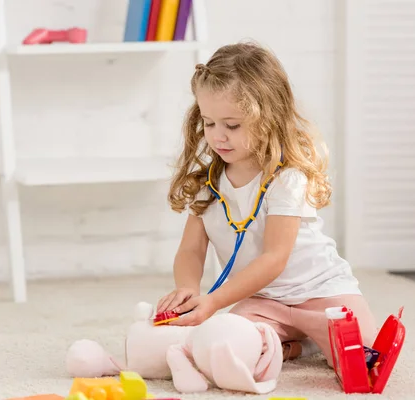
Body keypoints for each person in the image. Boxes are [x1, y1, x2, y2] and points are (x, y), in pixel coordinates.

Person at [156, 41, 377, 365]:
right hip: (263, 300)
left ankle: (310, 337)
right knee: (224, 349)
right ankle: (298, 345)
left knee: (366, 355)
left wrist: (214, 302)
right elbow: (191, 249)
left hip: (320, 292)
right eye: (209, 122)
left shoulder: (286, 180)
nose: (217, 136)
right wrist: (188, 288)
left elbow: (274, 258)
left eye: (232, 125)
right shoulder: (209, 186)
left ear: (268, 119)